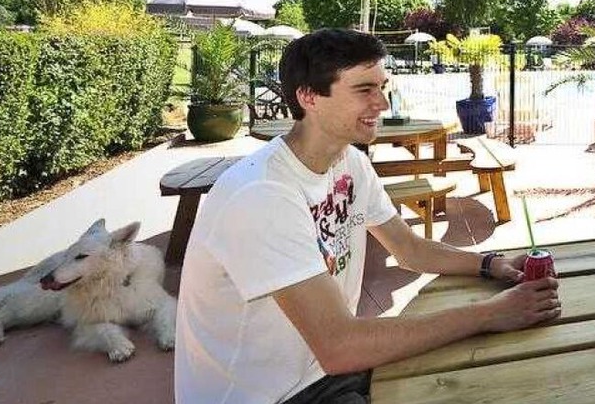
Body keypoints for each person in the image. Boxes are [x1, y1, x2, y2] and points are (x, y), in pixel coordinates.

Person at [175, 29, 561, 404]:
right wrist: (490, 314)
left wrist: (491, 265)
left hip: (327, 369)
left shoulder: (349, 162)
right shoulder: (261, 194)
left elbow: (409, 249)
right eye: (364, 89)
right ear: (309, 96)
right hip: (276, 392)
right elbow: (340, 346)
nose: (382, 103)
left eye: (382, 86)